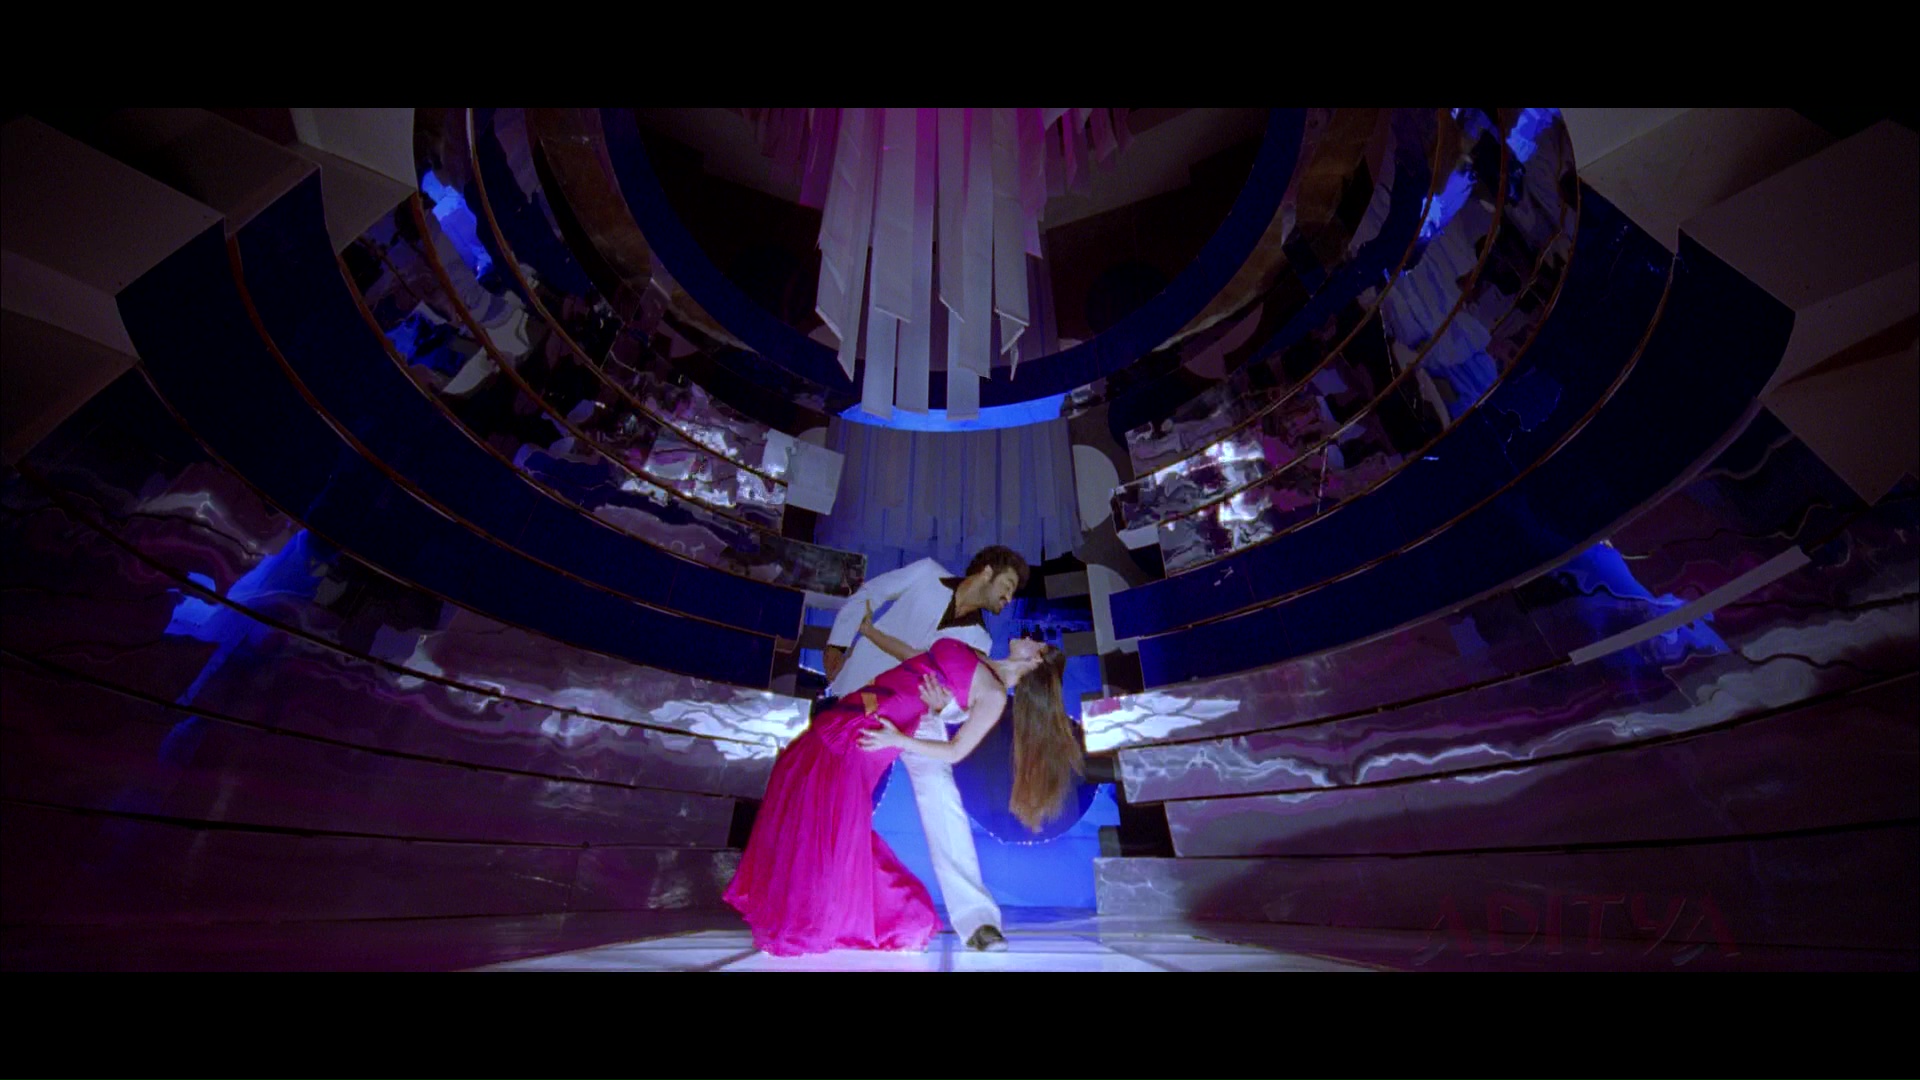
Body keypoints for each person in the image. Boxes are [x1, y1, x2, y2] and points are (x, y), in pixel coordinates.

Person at [723, 633, 1079, 957]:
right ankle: (815, 901)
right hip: (889, 704)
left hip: (916, 724)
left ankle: (976, 921)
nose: (1028, 635)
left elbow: (960, 733)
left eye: (1037, 641)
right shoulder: (980, 652)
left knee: (943, 807)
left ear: (1037, 659)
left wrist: (941, 711)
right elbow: (917, 655)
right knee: (821, 790)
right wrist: (871, 632)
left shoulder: (996, 693)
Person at [820, 546, 1025, 951]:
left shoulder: (980, 638)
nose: (1009, 597)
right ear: (986, 571)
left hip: (919, 714)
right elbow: (868, 595)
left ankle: (978, 921)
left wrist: (943, 706)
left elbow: (961, 699)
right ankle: (825, 904)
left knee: (942, 796)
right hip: (861, 696)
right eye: (1008, 584)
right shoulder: (928, 574)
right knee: (833, 800)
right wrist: (836, 647)